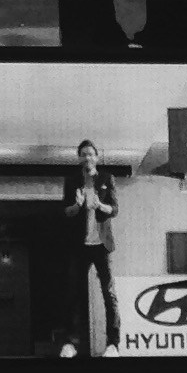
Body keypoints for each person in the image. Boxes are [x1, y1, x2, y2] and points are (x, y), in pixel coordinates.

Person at [63, 141, 120, 350]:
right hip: (80, 245)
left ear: (96, 157)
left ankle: (113, 343)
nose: (87, 157)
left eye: (91, 154)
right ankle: (71, 342)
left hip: (101, 244)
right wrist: (77, 205)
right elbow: (66, 211)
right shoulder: (71, 181)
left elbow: (114, 209)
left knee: (108, 292)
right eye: (84, 154)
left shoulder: (107, 178)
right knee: (74, 293)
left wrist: (99, 205)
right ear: (79, 158)